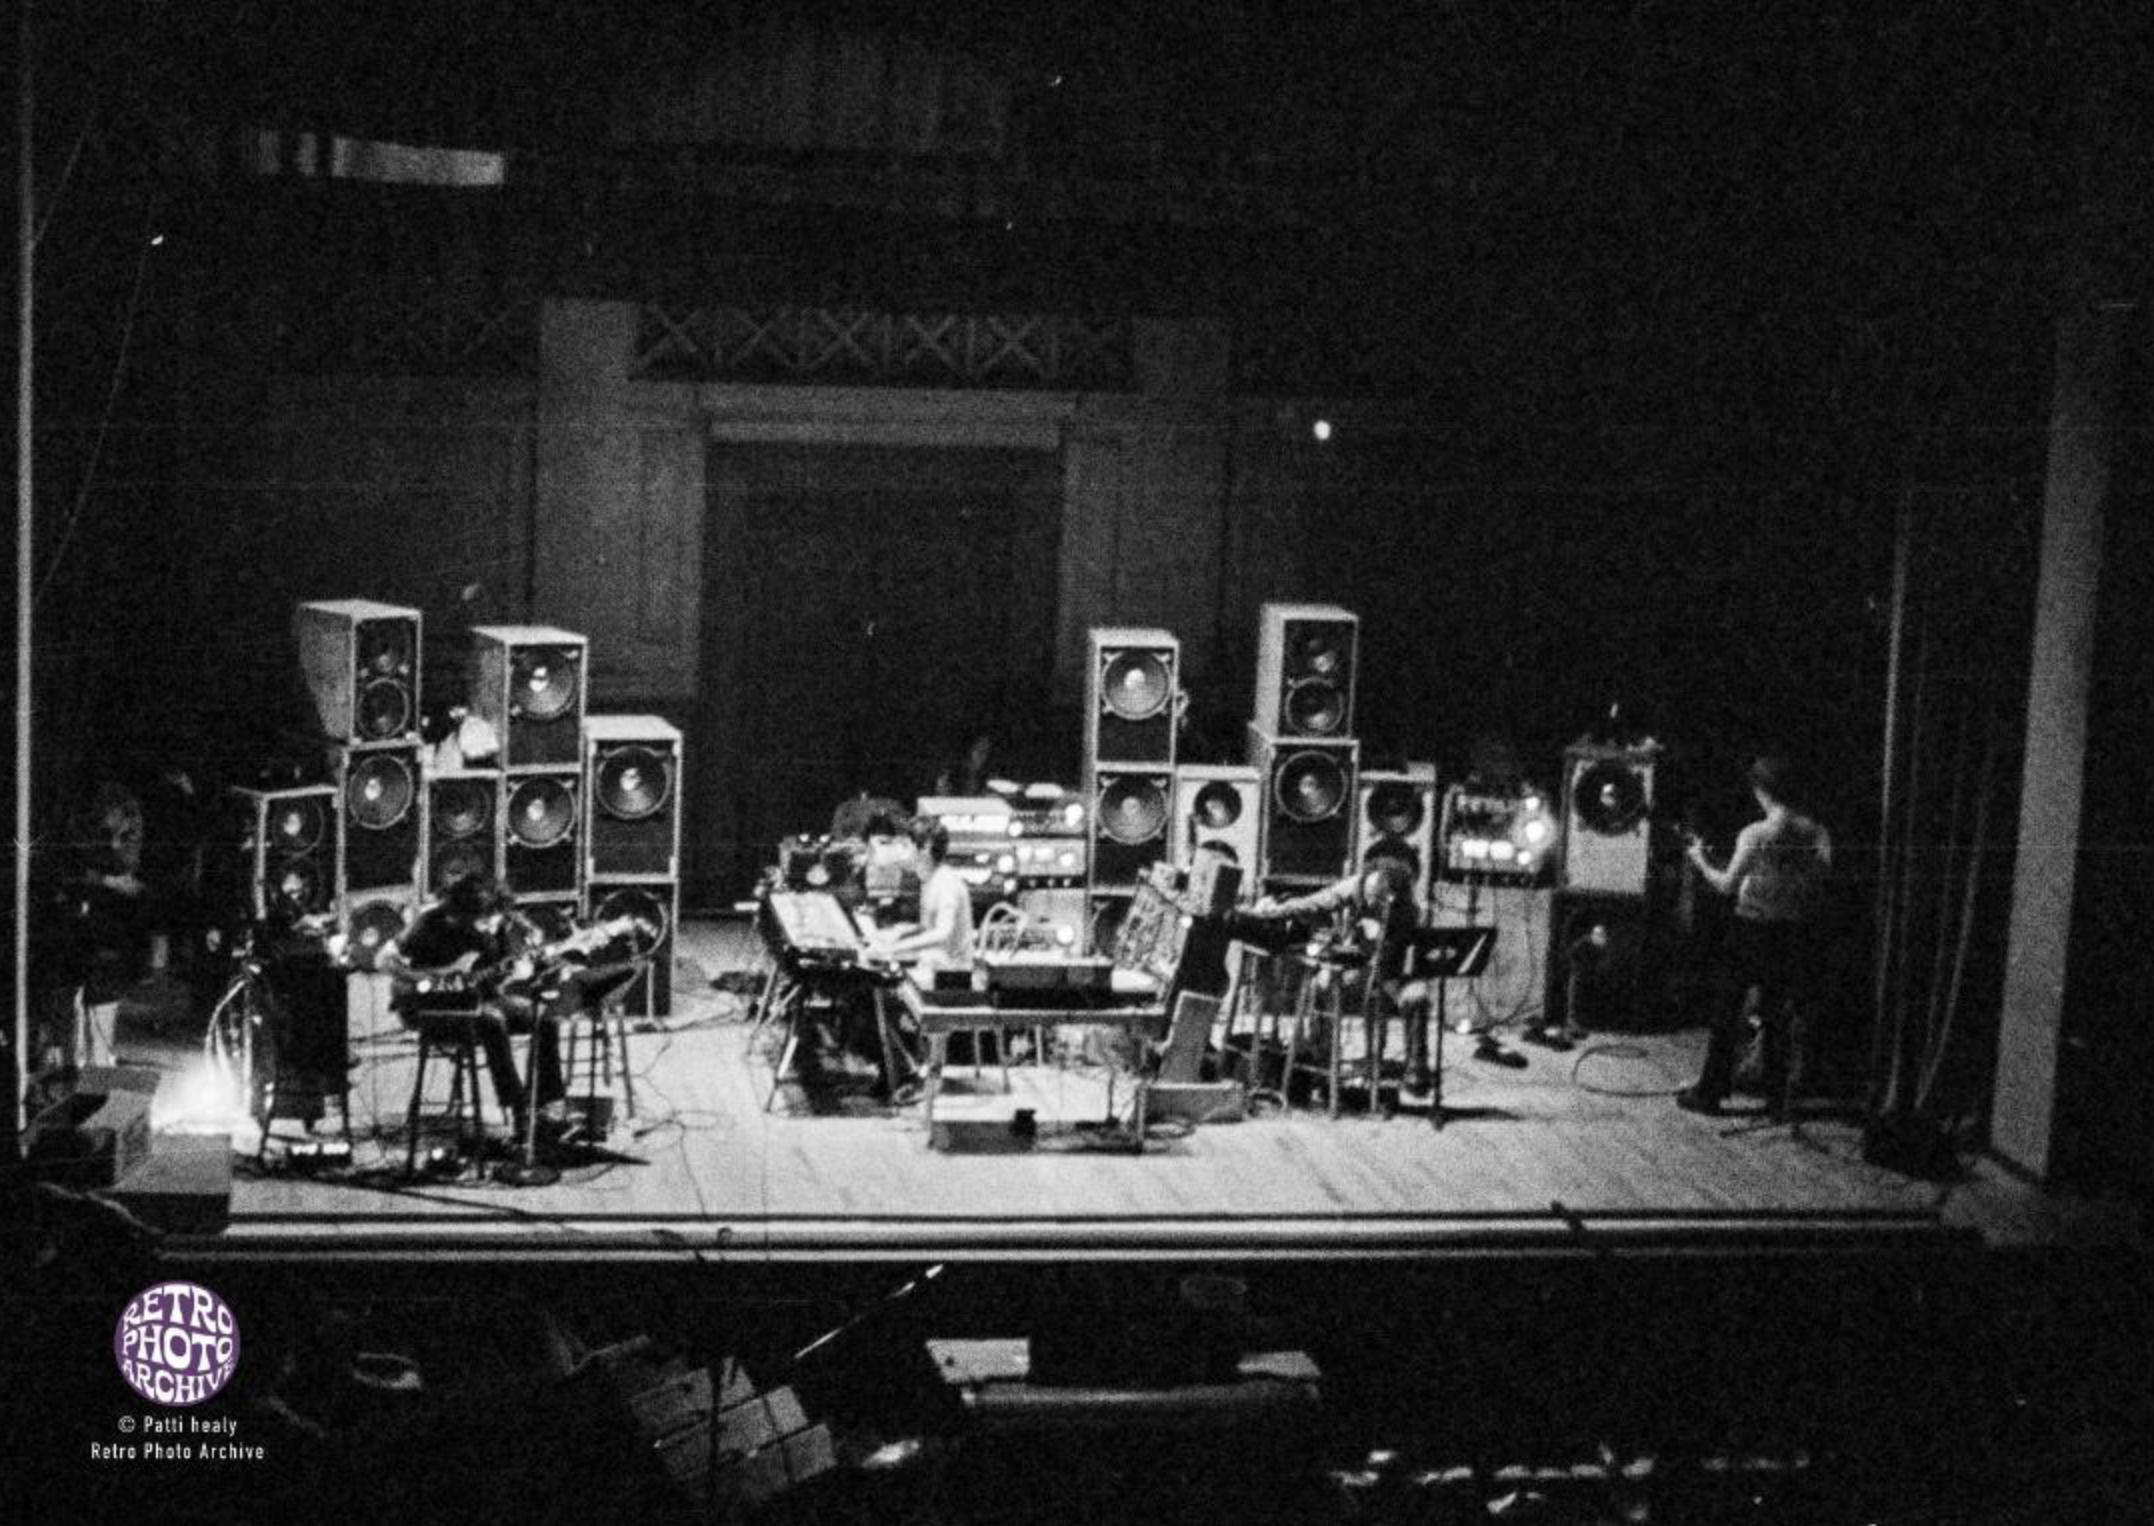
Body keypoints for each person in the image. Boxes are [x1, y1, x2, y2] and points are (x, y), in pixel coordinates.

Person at [1250, 859, 1505, 1099]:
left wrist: (1383, 935)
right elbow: (1313, 903)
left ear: (1393, 895)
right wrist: (1273, 912)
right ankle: (1320, 1060)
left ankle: (1415, 1068)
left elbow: (1397, 957)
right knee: (1320, 985)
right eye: (1369, 893)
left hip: (1391, 970)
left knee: (1417, 996)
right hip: (1354, 965)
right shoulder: (1353, 886)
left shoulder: (1407, 909)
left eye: (1379, 897)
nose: (1371, 899)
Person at [1678, 754, 1834, 1118]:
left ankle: (1710, 1092)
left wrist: (1700, 860)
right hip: (1790, 932)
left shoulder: (1756, 834)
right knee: (1776, 1015)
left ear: (1762, 791)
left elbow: (1726, 886)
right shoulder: (1817, 833)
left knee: (1728, 1010)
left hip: (1750, 928)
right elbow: (1820, 882)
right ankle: (1777, 1100)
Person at [375, 874, 565, 1138]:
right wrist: (424, 978)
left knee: (544, 1016)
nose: (490, 926)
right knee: (491, 1019)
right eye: (484, 921)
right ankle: (518, 1108)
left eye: (494, 919)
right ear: (463, 914)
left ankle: (544, 1106)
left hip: (481, 997)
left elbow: (493, 976)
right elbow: (383, 960)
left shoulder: (497, 924)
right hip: (430, 1008)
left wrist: (517, 974)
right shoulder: (430, 921)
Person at [869, 816, 976, 972]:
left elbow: (943, 933)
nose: (901, 853)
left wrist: (894, 948)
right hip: (935, 965)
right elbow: (928, 928)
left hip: (950, 974)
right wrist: (898, 934)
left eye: (906, 846)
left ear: (926, 847)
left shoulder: (946, 881)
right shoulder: (930, 881)